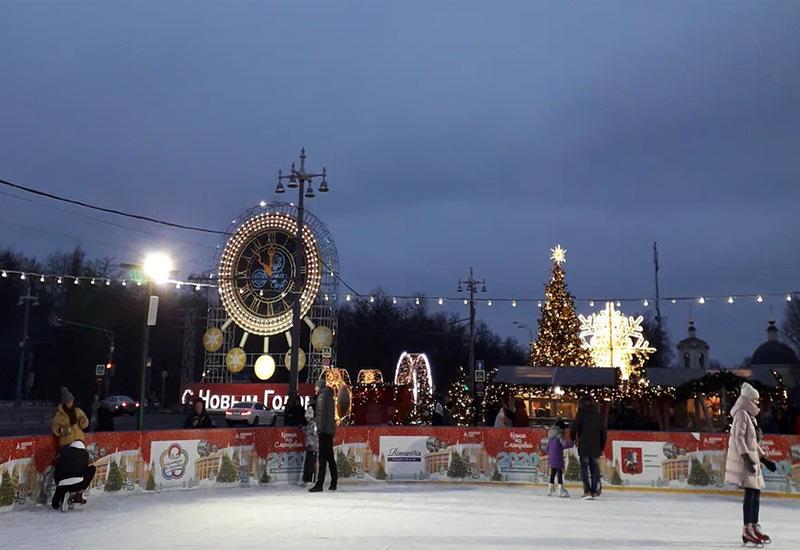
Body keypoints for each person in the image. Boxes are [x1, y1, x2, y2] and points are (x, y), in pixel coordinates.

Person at [725, 382, 776, 545]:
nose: (756, 403)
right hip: (745, 461)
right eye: (754, 400)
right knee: (750, 493)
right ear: (747, 399)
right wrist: (746, 458)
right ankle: (747, 529)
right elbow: (738, 438)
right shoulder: (741, 414)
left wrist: (764, 459)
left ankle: (754, 526)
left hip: (752, 460)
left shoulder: (749, 416)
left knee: (755, 493)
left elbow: (752, 442)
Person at [569, 396, 606, 500]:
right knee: (594, 469)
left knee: (584, 469)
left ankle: (587, 491)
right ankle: (594, 491)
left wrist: (573, 439)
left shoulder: (580, 414)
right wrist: (601, 446)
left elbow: (573, 428)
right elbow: (603, 432)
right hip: (595, 447)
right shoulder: (597, 415)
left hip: (584, 446)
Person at [309, 377, 337, 492]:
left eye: (315, 386)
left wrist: (319, 430)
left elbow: (320, 415)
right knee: (329, 457)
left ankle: (320, 484)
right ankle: (333, 482)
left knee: (322, 458)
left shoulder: (322, 397)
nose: (314, 389)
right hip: (329, 430)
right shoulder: (329, 396)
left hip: (324, 431)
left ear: (318, 386)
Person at [51, 440, 96, 510]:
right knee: (92, 469)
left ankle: (61, 498)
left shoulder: (64, 451)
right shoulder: (85, 454)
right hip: (77, 484)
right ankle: (79, 493)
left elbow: (57, 466)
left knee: (55, 505)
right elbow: (84, 469)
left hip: (61, 483)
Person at [547, 419, 574, 497]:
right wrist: (571, 442)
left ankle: (550, 488)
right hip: (558, 454)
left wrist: (549, 453)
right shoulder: (559, 434)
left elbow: (547, 447)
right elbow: (564, 444)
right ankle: (560, 489)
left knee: (553, 471)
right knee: (559, 471)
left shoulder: (550, 434)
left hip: (551, 455)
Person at [302, 405, 319, 485]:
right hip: (308, 447)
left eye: (308, 418)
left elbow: (316, 436)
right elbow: (306, 432)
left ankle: (311, 480)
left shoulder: (313, 425)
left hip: (313, 448)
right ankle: (306, 479)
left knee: (311, 464)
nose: (307, 419)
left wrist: (312, 444)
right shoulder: (308, 425)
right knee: (307, 464)